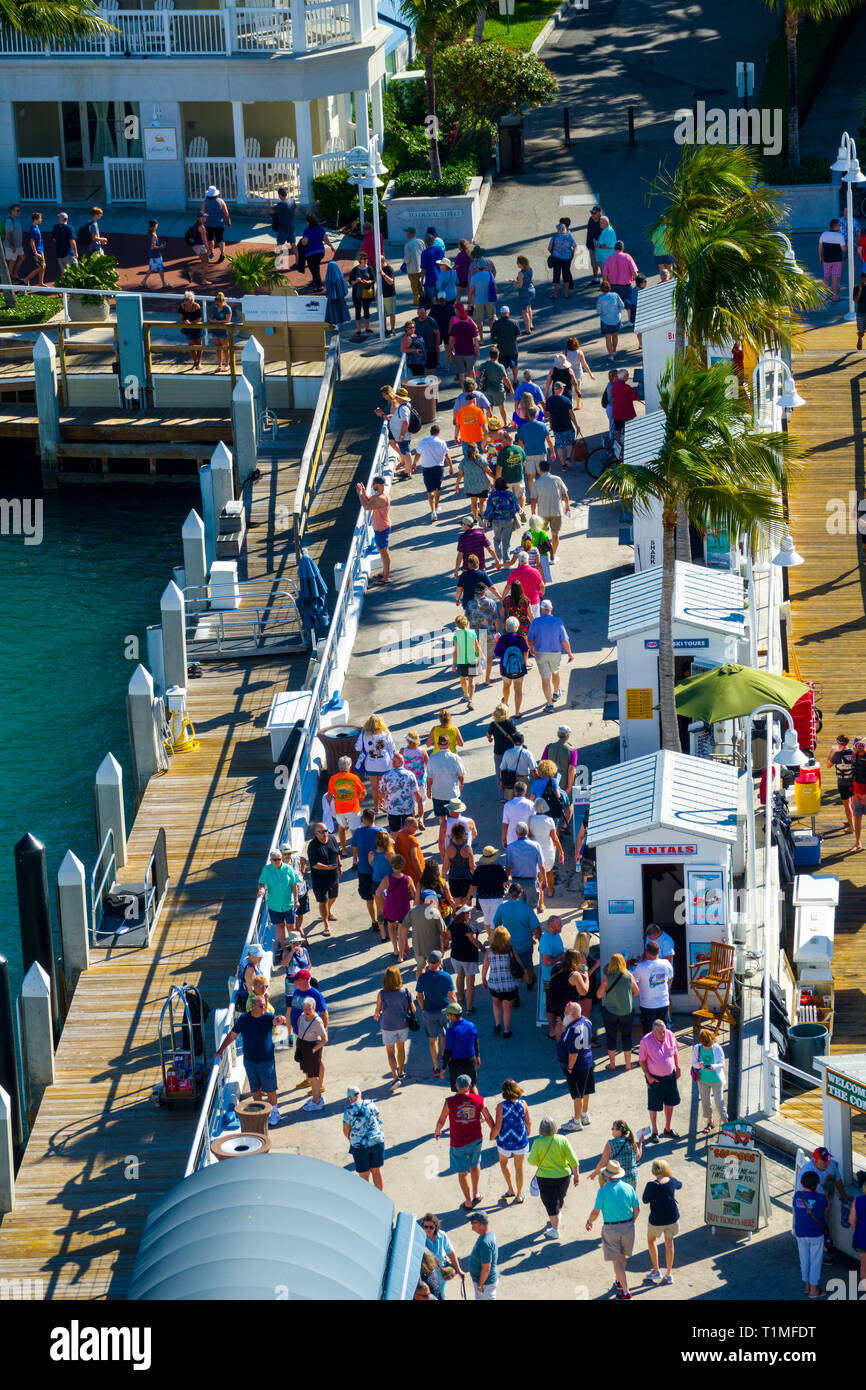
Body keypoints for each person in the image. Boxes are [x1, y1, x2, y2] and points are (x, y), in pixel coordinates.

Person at [215, 994, 288, 1126]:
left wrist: (281, 1019)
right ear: (253, 1006)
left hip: (266, 1061)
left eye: (264, 1005)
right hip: (250, 1061)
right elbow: (232, 1035)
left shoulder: (268, 1017)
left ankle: (275, 1112)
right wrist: (220, 1051)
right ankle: (260, 1113)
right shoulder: (244, 1019)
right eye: (261, 1006)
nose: (264, 1008)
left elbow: (277, 1020)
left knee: (270, 1089)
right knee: (255, 1090)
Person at [434, 1075, 494, 1210]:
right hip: (476, 1139)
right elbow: (488, 1118)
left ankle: (467, 1201)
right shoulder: (479, 1099)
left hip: (457, 1143)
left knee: (462, 1172)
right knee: (475, 1164)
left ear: (456, 1086)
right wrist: (494, 1132)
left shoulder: (449, 1102)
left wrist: (438, 1131)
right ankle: (476, 1193)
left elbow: (442, 1119)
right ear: (469, 1087)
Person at [586, 1160, 640, 1299]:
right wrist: (631, 1222)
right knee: (622, 1256)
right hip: (628, 1227)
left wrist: (589, 1222)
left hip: (611, 1228)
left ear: (607, 1176)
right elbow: (637, 1209)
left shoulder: (603, 1190)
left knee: (616, 1261)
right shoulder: (629, 1188)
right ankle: (620, 1282)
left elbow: (596, 1212)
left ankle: (626, 1293)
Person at [528, 1115, 579, 1240]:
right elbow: (573, 1160)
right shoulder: (562, 1139)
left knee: (550, 1204)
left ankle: (555, 1230)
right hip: (564, 1176)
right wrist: (576, 1175)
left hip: (545, 1178)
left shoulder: (538, 1142)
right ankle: (557, 1214)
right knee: (560, 1197)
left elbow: (532, 1161)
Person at [639, 1017, 682, 1142]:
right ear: (653, 1032)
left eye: (664, 1031)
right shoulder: (645, 1041)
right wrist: (648, 1076)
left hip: (670, 1076)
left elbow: (674, 1052)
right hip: (655, 1079)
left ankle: (668, 1128)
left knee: (670, 1102)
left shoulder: (669, 1035)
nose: (663, 1034)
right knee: (653, 1105)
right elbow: (641, 1061)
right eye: (660, 1032)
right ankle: (654, 1131)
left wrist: (677, 1067)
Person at [527, 598, 573, 712]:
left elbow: (530, 640)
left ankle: (550, 704)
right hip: (555, 653)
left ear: (542, 609)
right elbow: (564, 641)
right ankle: (556, 692)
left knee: (545, 679)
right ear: (551, 609)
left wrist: (531, 649)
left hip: (540, 654)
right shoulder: (558, 622)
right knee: (555, 672)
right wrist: (570, 654)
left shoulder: (535, 622)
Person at [489, 1079, 531, 1203]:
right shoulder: (523, 1103)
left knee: (503, 1163)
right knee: (519, 1167)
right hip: (520, 1139)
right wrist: (528, 1131)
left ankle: (510, 1189)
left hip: (505, 1140)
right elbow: (528, 1121)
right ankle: (519, 1195)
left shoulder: (501, 1106)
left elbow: (497, 1126)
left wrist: (492, 1135)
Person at [256, 847, 300, 964]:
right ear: (271, 860)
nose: (277, 861)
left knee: (291, 926)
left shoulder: (288, 869)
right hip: (274, 905)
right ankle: (284, 949)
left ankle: (292, 948)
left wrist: (296, 900)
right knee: (279, 926)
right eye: (274, 859)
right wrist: (261, 889)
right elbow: (261, 882)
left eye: (279, 859)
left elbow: (294, 885)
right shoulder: (266, 870)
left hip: (288, 903)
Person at [597, 952, 639, 1071]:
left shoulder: (607, 978)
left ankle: (612, 1064)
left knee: (611, 1037)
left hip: (610, 1012)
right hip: (626, 1012)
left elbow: (599, 995)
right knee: (627, 1037)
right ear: (623, 963)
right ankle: (628, 1064)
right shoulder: (629, 976)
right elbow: (637, 992)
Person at [373, 966, 415, 1086]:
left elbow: (378, 1009)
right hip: (402, 1025)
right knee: (401, 1049)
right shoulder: (405, 992)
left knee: (390, 1052)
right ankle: (401, 1071)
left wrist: (376, 1015)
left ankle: (395, 1076)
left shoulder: (381, 994)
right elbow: (413, 1009)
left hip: (387, 1026)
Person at [493, 883, 540, 989]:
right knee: (528, 965)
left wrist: (496, 943)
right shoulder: (527, 909)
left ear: (509, 894)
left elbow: (496, 926)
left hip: (508, 947)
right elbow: (536, 928)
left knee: (510, 969)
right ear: (521, 893)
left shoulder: (502, 908)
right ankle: (529, 982)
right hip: (525, 946)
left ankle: (514, 992)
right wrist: (542, 941)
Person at [481, 926, 525, 1037]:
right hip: (509, 985)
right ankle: (506, 1030)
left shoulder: (489, 951)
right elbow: (519, 962)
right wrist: (523, 974)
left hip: (494, 984)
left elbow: (485, 967)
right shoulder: (510, 949)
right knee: (507, 1007)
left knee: (496, 1003)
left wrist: (483, 979)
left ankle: (497, 1024)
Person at [417, 951, 457, 1075]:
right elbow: (452, 996)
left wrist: (423, 1008)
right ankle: (445, 1058)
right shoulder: (446, 976)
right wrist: (456, 1010)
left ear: (428, 962)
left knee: (433, 1040)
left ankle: (436, 1067)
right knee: (444, 1035)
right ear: (440, 962)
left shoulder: (422, 977)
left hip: (429, 1011)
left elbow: (419, 996)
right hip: (445, 1011)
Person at [558, 1000, 595, 1130]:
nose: (564, 1014)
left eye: (566, 1012)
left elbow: (573, 1054)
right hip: (587, 1062)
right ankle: (584, 1115)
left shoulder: (572, 1029)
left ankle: (577, 1121)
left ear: (573, 1014)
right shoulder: (587, 1021)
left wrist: (570, 1067)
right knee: (586, 1089)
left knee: (577, 1094)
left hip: (577, 1066)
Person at [341, 1084, 386, 1187]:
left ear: (349, 1098)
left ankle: (367, 1201)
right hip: (377, 1141)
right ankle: (380, 1199)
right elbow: (378, 1117)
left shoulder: (349, 1110)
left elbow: (346, 1130)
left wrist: (353, 1140)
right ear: (360, 1094)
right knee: (376, 1171)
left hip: (360, 1146)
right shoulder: (371, 1103)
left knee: (364, 1174)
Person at [793, 1170, 829, 1298]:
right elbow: (827, 1207)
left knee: (804, 1260)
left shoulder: (797, 1196)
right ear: (817, 1184)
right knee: (815, 1261)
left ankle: (807, 1286)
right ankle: (814, 1290)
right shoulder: (821, 1198)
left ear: (802, 1183)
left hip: (800, 1233)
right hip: (815, 1234)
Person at [301, 822, 341, 936]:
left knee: (333, 897)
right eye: (322, 832)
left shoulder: (332, 838)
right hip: (319, 879)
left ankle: (327, 912)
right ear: (316, 834)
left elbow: (337, 852)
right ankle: (326, 925)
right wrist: (328, 867)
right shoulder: (313, 846)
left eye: (326, 831)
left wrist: (340, 865)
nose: (325, 834)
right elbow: (314, 864)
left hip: (333, 876)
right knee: (323, 901)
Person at [376, 853, 416, 962]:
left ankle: (395, 950)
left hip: (391, 907)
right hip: (404, 908)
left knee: (391, 928)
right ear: (403, 866)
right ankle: (401, 956)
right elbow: (414, 894)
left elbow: (378, 892)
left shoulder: (387, 879)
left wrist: (386, 897)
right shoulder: (408, 879)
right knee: (402, 931)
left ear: (392, 865)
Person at [356, 476, 392, 585]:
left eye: (374, 484)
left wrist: (360, 494)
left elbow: (367, 506)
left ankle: (386, 577)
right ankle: (384, 572)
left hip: (382, 528)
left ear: (379, 485)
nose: (373, 485)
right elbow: (369, 500)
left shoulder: (382, 498)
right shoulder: (379, 495)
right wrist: (363, 491)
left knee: (384, 552)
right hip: (380, 527)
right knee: (382, 551)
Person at [448, 901, 482, 1014]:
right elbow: (474, 942)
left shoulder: (453, 924)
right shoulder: (468, 927)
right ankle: (469, 1009)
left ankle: (461, 999)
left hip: (455, 956)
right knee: (470, 983)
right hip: (468, 958)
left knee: (460, 977)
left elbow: (446, 938)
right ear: (463, 915)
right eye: (467, 912)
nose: (470, 913)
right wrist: (484, 949)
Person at [412, 423, 450, 523]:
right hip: (439, 469)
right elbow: (447, 456)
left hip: (427, 469)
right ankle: (436, 506)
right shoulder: (441, 442)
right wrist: (450, 467)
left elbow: (418, 454)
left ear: (430, 432)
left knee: (430, 492)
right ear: (438, 433)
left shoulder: (423, 441)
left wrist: (414, 464)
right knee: (438, 489)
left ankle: (433, 511)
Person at [692, 1027, 728, 1133]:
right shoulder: (696, 1048)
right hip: (702, 1079)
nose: (707, 1047)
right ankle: (710, 1122)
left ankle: (726, 1124)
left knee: (719, 1102)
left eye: (709, 1045)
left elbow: (722, 1063)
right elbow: (694, 1063)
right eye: (705, 1045)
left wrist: (714, 1066)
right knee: (705, 1101)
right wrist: (699, 1065)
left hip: (716, 1080)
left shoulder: (717, 1048)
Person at [589, 1119, 644, 1188]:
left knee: (602, 1178)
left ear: (619, 1131)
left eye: (613, 1128)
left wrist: (595, 1173)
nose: (611, 1130)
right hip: (632, 1178)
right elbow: (638, 1157)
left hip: (616, 1179)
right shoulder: (631, 1142)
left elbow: (603, 1162)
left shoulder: (610, 1143)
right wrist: (640, 1143)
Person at [632, 940, 673, 1032]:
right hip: (663, 1002)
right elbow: (670, 978)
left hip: (648, 1005)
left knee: (649, 1033)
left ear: (646, 952)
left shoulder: (640, 967)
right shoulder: (666, 963)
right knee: (664, 1031)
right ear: (659, 952)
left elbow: (633, 981)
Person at [295, 996, 328, 1111]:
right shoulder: (302, 1016)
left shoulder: (317, 1021)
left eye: (309, 1009)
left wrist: (314, 1050)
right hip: (304, 1047)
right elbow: (300, 1028)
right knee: (311, 1075)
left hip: (312, 1049)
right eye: (305, 1009)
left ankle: (315, 1102)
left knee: (313, 1077)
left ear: (314, 1008)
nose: (307, 1012)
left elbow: (325, 1039)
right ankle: (318, 1098)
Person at [529, 798, 563, 905]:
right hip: (548, 850)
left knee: (539, 875)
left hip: (535, 850)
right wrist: (561, 852)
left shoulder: (530, 819)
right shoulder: (549, 820)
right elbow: (555, 839)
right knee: (549, 871)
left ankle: (541, 899)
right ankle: (550, 891)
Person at [420, 1213, 465, 1294]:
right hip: (428, 1279)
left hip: (442, 1278)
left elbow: (450, 1253)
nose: (428, 1229)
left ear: (436, 1227)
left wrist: (459, 1270)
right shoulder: (419, 1238)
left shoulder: (442, 1235)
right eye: (425, 1227)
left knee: (442, 1296)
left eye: (431, 1227)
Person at [408, 888, 447, 978]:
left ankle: (420, 989)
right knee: (435, 968)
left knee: (420, 967)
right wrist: (445, 943)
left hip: (418, 946)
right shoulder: (435, 913)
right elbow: (443, 932)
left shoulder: (414, 911)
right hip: (433, 947)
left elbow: (405, 927)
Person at [493, 616, 529, 715]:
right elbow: (526, 651)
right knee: (518, 690)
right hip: (519, 668)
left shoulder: (502, 639)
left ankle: (506, 706)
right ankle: (517, 712)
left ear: (506, 627)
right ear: (517, 627)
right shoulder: (520, 639)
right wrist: (525, 662)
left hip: (505, 669)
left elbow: (497, 653)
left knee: (506, 686)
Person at [380, 752, 423, 833]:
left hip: (393, 809)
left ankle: (396, 845)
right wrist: (420, 808)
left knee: (394, 832)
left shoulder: (386, 775)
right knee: (408, 833)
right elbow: (417, 794)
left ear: (393, 762)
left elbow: (381, 792)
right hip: (407, 809)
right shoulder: (410, 775)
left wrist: (381, 800)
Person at [442, 999, 481, 1089]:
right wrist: (477, 1056)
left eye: (448, 1014)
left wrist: (443, 1068)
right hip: (471, 1060)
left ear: (453, 1015)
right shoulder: (471, 1025)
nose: (447, 1016)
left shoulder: (451, 1031)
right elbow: (476, 1041)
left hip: (457, 1064)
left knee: (459, 1089)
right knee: (473, 1086)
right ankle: (480, 1103)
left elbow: (448, 1051)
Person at [542, 383, 580, 472]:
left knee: (559, 445)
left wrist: (551, 423)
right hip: (567, 426)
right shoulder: (566, 400)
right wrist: (576, 425)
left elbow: (548, 414)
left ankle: (563, 465)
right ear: (560, 389)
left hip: (556, 427)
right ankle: (568, 458)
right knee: (569, 443)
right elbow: (571, 414)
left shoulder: (549, 400)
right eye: (562, 387)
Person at [351, 807, 379, 929]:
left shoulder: (358, 832)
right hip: (380, 870)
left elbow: (355, 848)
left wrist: (355, 859)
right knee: (381, 896)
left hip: (364, 870)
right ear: (374, 818)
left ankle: (374, 921)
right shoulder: (381, 831)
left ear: (363, 819)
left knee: (369, 898)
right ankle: (384, 919)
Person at [505, 823, 543, 911]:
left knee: (519, 908)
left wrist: (506, 879)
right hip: (531, 881)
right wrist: (544, 880)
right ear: (528, 831)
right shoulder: (536, 845)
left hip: (516, 881)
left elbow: (508, 867)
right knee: (532, 908)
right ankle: (533, 924)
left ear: (516, 833)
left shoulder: (510, 847)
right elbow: (541, 865)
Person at [515, 405, 553, 493]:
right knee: (543, 475)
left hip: (528, 455)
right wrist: (552, 452)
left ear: (528, 415)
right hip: (541, 453)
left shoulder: (523, 427)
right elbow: (549, 440)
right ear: (536, 415)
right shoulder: (542, 425)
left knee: (531, 477)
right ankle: (543, 493)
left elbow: (520, 443)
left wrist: (522, 456)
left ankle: (533, 495)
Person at [470, 844, 509, 930]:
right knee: (495, 921)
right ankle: (493, 939)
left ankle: (490, 936)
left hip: (483, 898)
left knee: (487, 919)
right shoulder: (499, 868)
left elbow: (473, 886)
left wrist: (467, 897)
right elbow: (506, 883)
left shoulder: (479, 869)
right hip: (496, 897)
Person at [540, 915, 566, 1034]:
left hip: (558, 976)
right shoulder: (546, 940)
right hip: (549, 979)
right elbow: (546, 962)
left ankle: (558, 1027)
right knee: (550, 1004)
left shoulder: (556, 935)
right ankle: (552, 1030)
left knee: (558, 1001)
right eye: (559, 924)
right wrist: (561, 957)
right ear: (551, 926)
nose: (561, 926)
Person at [826, 733, 856, 837]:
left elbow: (828, 765)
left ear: (840, 743)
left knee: (847, 805)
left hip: (843, 783)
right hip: (852, 781)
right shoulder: (853, 752)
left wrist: (830, 752)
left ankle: (852, 827)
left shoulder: (837, 755)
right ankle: (850, 821)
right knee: (851, 802)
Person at [456, 445, 494, 526]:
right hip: (482, 484)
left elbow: (460, 474)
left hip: (470, 485)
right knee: (483, 501)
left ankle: (475, 518)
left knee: (473, 502)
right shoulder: (481, 459)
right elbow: (488, 471)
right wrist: (495, 478)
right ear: (476, 449)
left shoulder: (464, 461)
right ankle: (481, 515)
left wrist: (457, 484)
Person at [467, 1211, 499, 1299]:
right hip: (484, 1283)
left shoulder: (485, 1243)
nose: (471, 1226)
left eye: (473, 1223)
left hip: (485, 1284)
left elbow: (486, 1269)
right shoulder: (487, 1234)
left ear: (480, 1224)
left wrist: (480, 1285)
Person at [479, 347, 514, 428]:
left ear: (490, 355)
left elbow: (477, 373)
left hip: (487, 390)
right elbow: (506, 379)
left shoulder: (485, 364)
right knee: (501, 407)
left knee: (489, 408)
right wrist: (511, 389)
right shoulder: (500, 366)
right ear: (498, 356)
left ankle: (490, 425)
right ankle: (505, 423)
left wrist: (484, 376)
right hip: (498, 390)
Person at [505, 551, 545, 617]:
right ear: (528, 559)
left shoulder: (514, 573)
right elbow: (542, 586)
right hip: (534, 602)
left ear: (518, 560)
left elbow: (508, 587)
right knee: (534, 623)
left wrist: (502, 598)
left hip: (519, 603)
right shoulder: (535, 571)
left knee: (521, 625)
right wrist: (540, 594)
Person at [449, 303, 481, 385]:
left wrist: (452, 348)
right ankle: (473, 386)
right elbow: (476, 339)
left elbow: (450, 337)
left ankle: (464, 389)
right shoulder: (471, 326)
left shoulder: (455, 324)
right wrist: (478, 350)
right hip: (469, 351)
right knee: (471, 369)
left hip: (458, 349)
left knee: (461, 372)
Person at [604, 239, 639, 312]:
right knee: (629, 306)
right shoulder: (627, 257)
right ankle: (630, 321)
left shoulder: (609, 258)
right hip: (626, 286)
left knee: (615, 306)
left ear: (614, 248)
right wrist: (637, 285)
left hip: (613, 286)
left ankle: (617, 321)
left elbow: (605, 275)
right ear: (622, 248)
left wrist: (607, 286)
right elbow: (634, 273)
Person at [467, 257, 497, 342]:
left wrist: (469, 303)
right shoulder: (489, 274)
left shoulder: (474, 277)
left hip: (478, 301)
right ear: (484, 266)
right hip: (489, 300)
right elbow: (495, 288)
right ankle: (493, 335)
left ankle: (482, 340)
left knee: (479, 320)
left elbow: (470, 292)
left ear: (477, 267)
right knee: (491, 318)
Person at [490, 304, 520, 385]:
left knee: (504, 367)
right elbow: (518, 334)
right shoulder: (514, 322)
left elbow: (493, 336)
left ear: (501, 313)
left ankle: (506, 384)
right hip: (512, 349)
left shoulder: (496, 323)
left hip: (501, 349)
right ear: (508, 313)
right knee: (514, 365)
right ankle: (515, 381)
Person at [597, 278, 625, 362]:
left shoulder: (600, 298)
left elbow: (599, 311)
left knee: (608, 339)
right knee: (615, 335)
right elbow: (622, 305)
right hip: (616, 319)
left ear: (601, 289)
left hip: (606, 321)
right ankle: (614, 350)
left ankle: (611, 355)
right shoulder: (615, 295)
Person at [818, 217, 846, 302]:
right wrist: (848, 248)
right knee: (835, 278)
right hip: (837, 260)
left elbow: (820, 246)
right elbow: (843, 248)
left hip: (826, 259)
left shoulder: (824, 234)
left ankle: (824, 296)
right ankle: (835, 297)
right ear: (836, 226)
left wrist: (820, 257)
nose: (840, 226)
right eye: (839, 225)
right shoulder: (840, 236)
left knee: (826, 278)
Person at [548, 220, 576, 300]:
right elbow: (574, 246)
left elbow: (549, 248)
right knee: (566, 275)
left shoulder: (554, 237)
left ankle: (555, 294)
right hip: (567, 259)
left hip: (556, 258)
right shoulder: (569, 237)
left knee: (556, 276)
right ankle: (566, 294)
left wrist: (553, 253)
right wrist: (571, 253)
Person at [200, 186, 230, 262]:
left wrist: (201, 223)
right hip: (220, 223)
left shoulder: (205, 202)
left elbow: (202, 213)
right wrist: (228, 221)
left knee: (210, 239)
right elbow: (226, 213)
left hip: (209, 224)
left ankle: (211, 252)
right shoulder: (221, 201)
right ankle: (222, 253)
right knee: (220, 239)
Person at [348, 250, 375, 333]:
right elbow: (350, 281)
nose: (366, 259)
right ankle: (359, 329)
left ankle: (367, 328)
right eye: (364, 258)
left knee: (366, 310)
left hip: (367, 292)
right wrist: (356, 281)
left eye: (367, 258)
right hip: (357, 293)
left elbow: (373, 280)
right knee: (358, 310)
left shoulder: (370, 268)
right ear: (360, 260)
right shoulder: (355, 270)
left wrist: (368, 282)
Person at [394, 815, 425, 885]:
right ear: (408, 826)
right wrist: (421, 873)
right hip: (414, 875)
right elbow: (414, 859)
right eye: (415, 827)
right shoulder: (411, 839)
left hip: (404, 872)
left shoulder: (399, 834)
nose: (417, 829)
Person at [178, 289, 204, 371]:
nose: (186, 301)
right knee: (191, 347)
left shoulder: (196, 306)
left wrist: (191, 322)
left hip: (196, 327)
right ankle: (195, 362)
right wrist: (185, 322)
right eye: (185, 299)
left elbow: (199, 318)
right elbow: (181, 319)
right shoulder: (182, 306)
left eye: (188, 299)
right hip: (188, 329)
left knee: (199, 345)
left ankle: (199, 362)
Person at [610, 369, 640, 434]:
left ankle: (617, 443)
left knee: (618, 431)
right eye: (627, 375)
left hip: (617, 413)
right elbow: (636, 397)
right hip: (626, 414)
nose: (628, 376)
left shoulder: (614, 386)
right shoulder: (626, 387)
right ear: (624, 377)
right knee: (629, 432)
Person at [270, 185, 296, 259]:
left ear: (279, 195)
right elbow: (295, 210)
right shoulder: (292, 201)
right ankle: (297, 260)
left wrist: (270, 205)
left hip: (283, 227)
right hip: (292, 226)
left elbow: (271, 212)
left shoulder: (280, 204)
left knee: (279, 244)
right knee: (293, 244)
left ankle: (278, 261)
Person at [209, 291, 232, 372]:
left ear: (222, 302)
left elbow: (228, 320)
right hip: (215, 331)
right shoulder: (215, 308)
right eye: (216, 303)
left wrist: (217, 322)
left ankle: (227, 364)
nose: (216, 305)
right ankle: (219, 365)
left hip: (224, 331)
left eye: (218, 303)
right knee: (218, 348)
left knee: (225, 348)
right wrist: (211, 320)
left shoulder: (227, 308)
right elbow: (212, 317)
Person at [512, 254, 535, 333]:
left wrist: (513, 281)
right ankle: (531, 324)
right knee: (529, 308)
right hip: (531, 290)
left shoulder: (521, 273)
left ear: (521, 264)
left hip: (525, 292)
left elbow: (520, 285)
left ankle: (527, 329)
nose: (517, 264)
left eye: (517, 263)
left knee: (524, 311)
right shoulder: (530, 269)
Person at [403, 226, 424, 305]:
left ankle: (417, 303)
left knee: (414, 286)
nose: (406, 233)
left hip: (412, 269)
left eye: (407, 232)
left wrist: (404, 259)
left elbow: (407, 259)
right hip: (421, 268)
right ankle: (423, 300)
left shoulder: (408, 244)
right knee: (420, 285)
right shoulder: (421, 242)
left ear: (409, 234)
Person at [22, 212, 45, 287]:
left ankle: (40, 282)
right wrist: (35, 253)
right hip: (37, 252)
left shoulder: (37, 227)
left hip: (40, 251)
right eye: (40, 218)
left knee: (43, 266)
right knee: (41, 267)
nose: (41, 220)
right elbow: (32, 242)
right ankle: (26, 279)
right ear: (35, 219)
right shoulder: (33, 229)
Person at [3, 203, 24, 281]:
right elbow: (8, 235)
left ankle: (14, 274)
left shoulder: (17, 220)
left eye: (19, 210)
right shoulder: (9, 220)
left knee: (22, 257)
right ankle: (8, 280)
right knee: (12, 262)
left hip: (18, 246)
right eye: (17, 210)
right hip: (11, 246)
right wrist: (12, 246)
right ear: (12, 211)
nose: (19, 212)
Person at [585, 205, 603, 282]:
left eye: (594, 213)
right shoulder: (590, 220)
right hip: (592, 247)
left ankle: (605, 283)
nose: (592, 214)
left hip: (601, 249)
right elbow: (588, 232)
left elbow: (608, 233)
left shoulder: (603, 221)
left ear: (599, 213)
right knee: (594, 264)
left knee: (602, 266)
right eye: (592, 212)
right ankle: (595, 279)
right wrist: (588, 244)